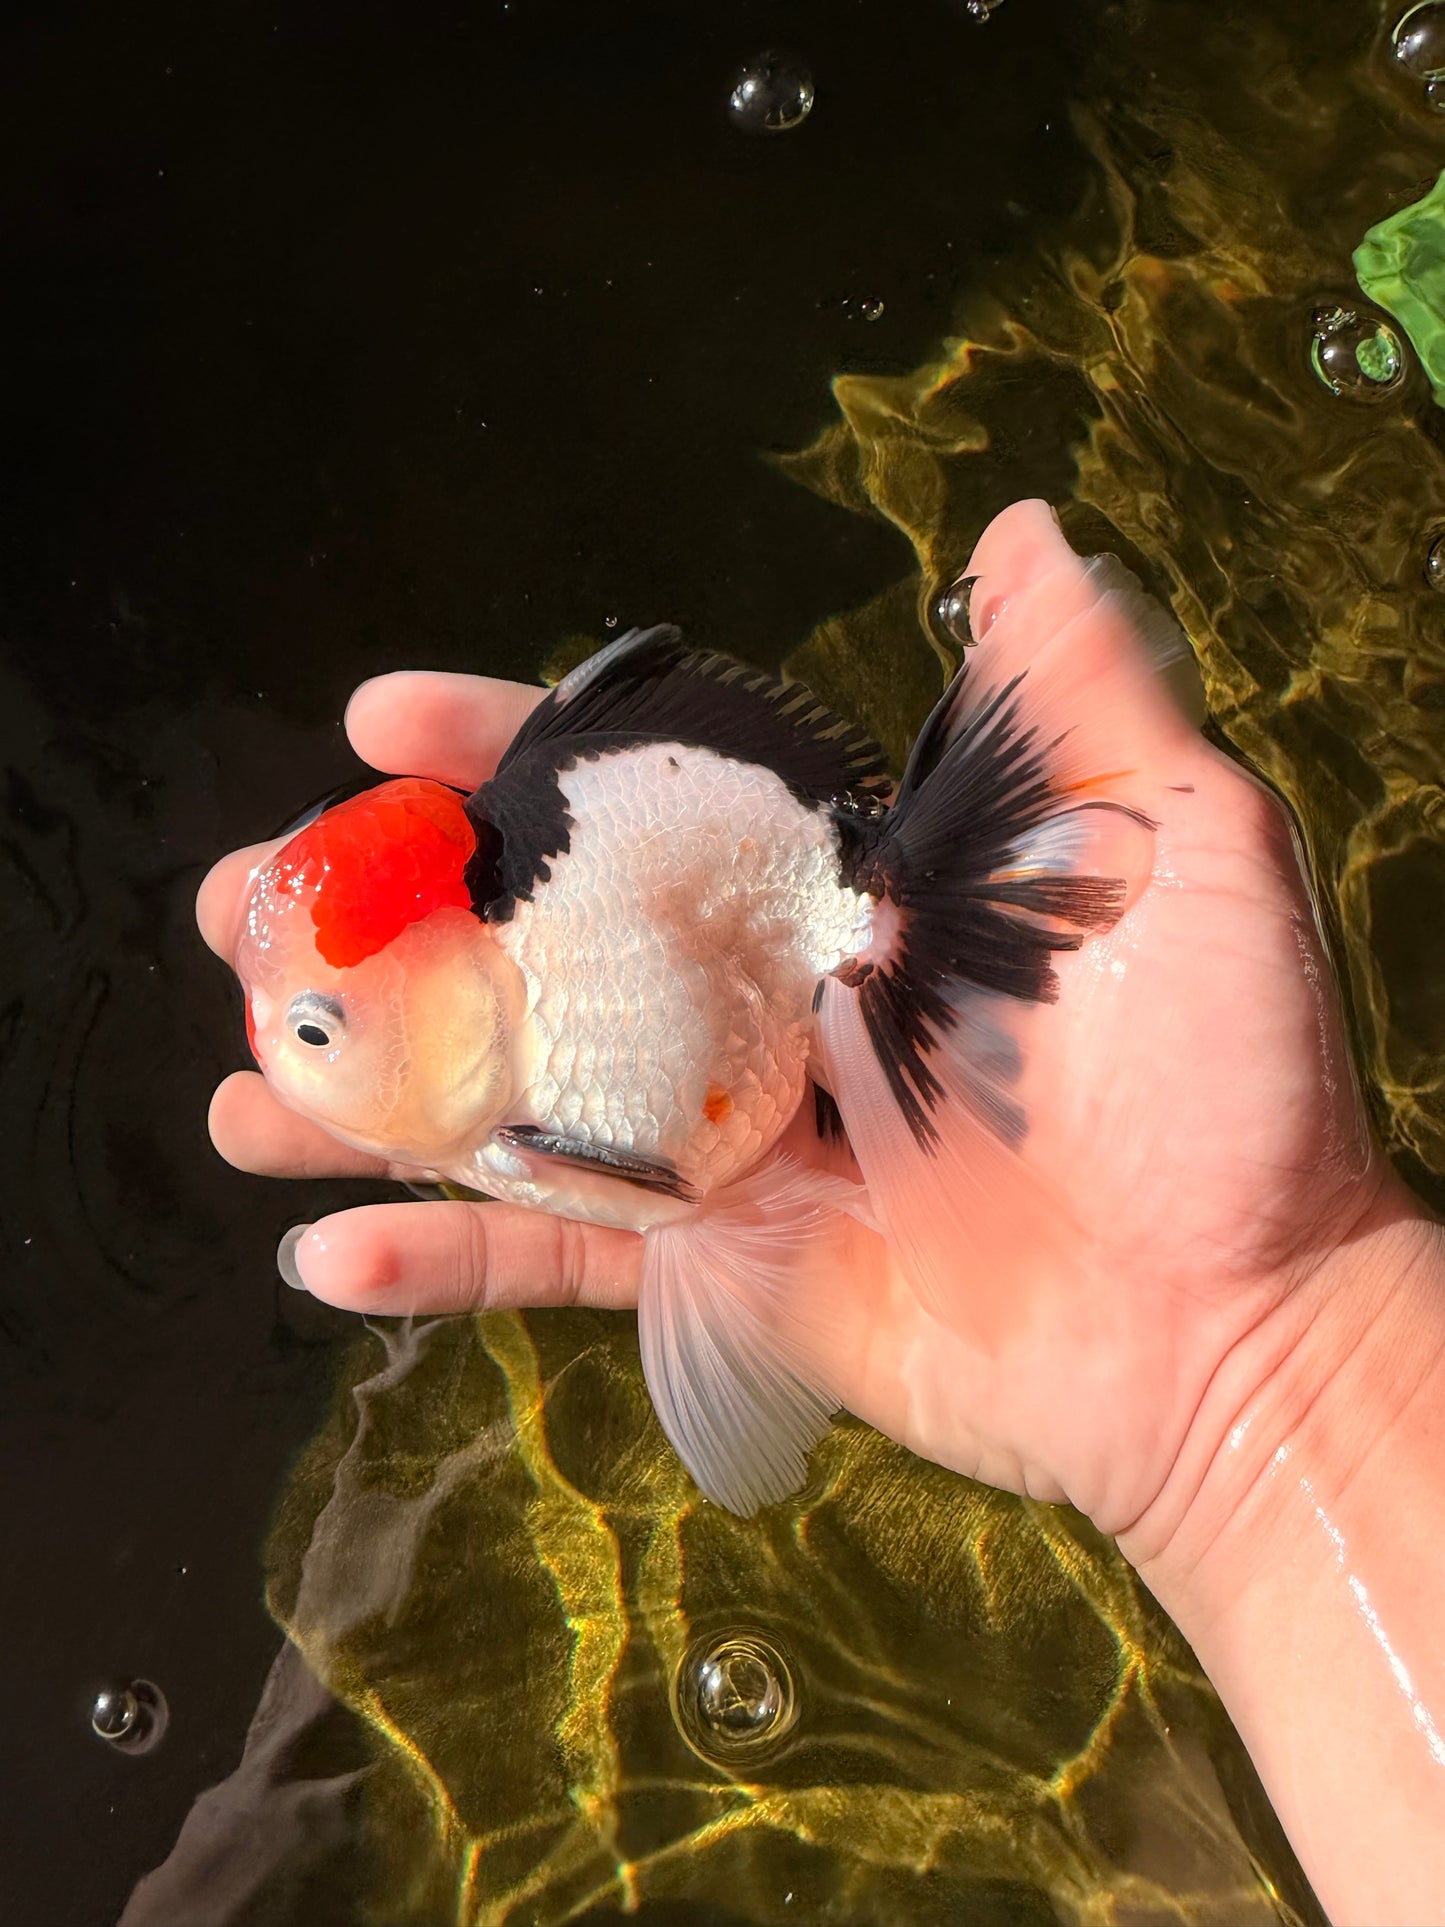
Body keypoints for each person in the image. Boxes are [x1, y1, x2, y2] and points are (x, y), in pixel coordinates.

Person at [199, 657, 1445, 1927]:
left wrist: (1266, 1345)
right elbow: (685, 1192)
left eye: (310, 1034)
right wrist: (1272, 1377)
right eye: (298, 1025)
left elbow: (675, 1179)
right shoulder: (497, 1109)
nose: (282, 1051)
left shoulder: (526, 1118)